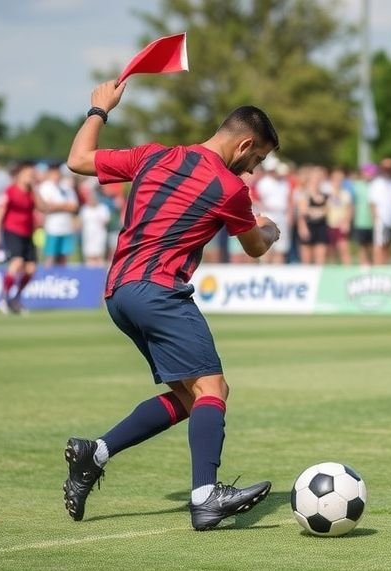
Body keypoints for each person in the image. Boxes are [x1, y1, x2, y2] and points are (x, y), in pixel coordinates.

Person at [62, 80, 281, 531]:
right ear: (244, 144)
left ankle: (95, 453)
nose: (252, 171)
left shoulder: (154, 155)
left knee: (189, 396)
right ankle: (205, 497)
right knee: (213, 389)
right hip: (159, 291)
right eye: (257, 159)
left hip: (119, 293)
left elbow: (78, 159)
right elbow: (255, 247)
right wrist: (268, 228)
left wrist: (99, 110)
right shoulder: (228, 188)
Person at [0, 163, 39, 314]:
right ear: (19, 175)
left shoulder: (32, 193)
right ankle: (4, 298)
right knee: (17, 262)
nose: (30, 177)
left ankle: (16, 299)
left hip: (28, 233)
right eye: (28, 174)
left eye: (32, 174)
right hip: (12, 231)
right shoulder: (9, 191)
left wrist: (36, 190)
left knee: (31, 270)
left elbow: (43, 207)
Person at [38, 164, 79, 266]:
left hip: (66, 227)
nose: (56, 175)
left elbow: (74, 206)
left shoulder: (66, 187)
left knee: (64, 257)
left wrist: (57, 206)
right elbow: (45, 207)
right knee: (50, 256)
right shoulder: (45, 187)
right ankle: (48, 275)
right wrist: (65, 206)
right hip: (52, 228)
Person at [254, 155, 291, 264]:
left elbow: (288, 200)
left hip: (281, 216)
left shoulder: (284, 183)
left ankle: (279, 270)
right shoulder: (263, 183)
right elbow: (256, 200)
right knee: (267, 246)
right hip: (268, 216)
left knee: (281, 248)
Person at [370, 158, 391, 265]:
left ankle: (385, 266)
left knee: (387, 244)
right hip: (380, 219)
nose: (388, 171)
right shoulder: (376, 183)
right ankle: (378, 266)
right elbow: (372, 203)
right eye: (386, 168)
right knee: (379, 244)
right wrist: (376, 218)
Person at [297, 166, 329, 265]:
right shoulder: (304, 193)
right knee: (306, 260)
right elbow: (302, 213)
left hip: (321, 226)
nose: (317, 181)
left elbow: (328, 211)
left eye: (319, 178)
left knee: (320, 257)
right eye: (315, 178)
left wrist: (313, 211)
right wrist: (303, 228)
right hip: (308, 225)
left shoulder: (324, 194)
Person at [325, 168, 352, 265]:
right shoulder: (327, 193)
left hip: (341, 225)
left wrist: (346, 222)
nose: (338, 182)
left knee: (344, 248)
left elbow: (349, 209)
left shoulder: (345, 194)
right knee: (331, 250)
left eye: (340, 180)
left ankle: (347, 269)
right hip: (329, 224)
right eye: (336, 179)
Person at [350, 164, 376, 265]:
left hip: (374, 221)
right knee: (361, 246)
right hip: (360, 221)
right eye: (367, 173)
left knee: (372, 246)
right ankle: (363, 265)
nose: (369, 175)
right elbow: (352, 204)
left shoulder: (376, 185)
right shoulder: (356, 186)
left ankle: (372, 264)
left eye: (371, 173)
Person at [79, 188, 111, 267]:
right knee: (89, 256)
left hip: (99, 236)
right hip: (88, 236)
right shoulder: (85, 209)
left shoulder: (102, 208)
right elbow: (80, 222)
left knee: (99, 256)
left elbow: (106, 221)